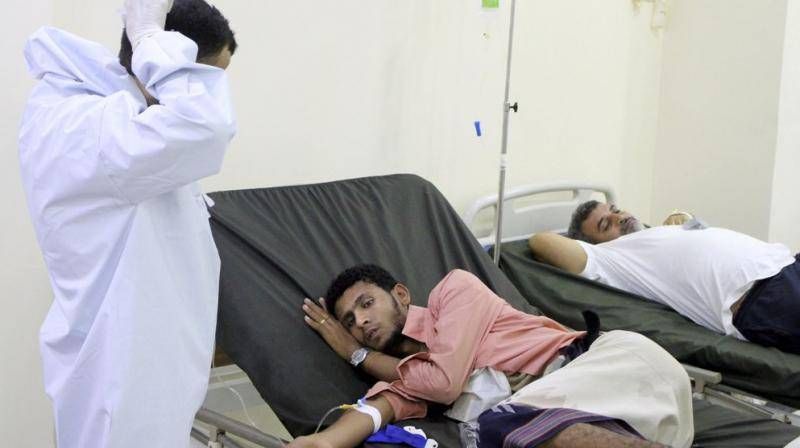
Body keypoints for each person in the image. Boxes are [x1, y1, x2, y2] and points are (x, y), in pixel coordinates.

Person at [19, 0, 237, 446]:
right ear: (164, 64)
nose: (198, 91)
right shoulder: (86, 127)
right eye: (198, 77)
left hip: (148, 370)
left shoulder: (125, 118)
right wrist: (148, 36)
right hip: (121, 381)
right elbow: (206, 125)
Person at [290, 265, 693, 448]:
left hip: (612, 364)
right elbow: (375, 411)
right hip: (613, 420)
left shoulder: (455, 292)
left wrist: (356, 354)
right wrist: (322, 442)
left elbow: (445, 382)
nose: (361, 321)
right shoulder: (407, 378)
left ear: (400, 294)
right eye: (349, 321)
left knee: (494, 426)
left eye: (366, 304)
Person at [530, 200, 800, 354]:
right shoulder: (610, 257)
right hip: (762, 297)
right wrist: (585, 248)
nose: (618, 217)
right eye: (605, 224)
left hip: (787, 263)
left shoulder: (655, 232)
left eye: (615, 209)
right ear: (593, 244)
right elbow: (540, 242)